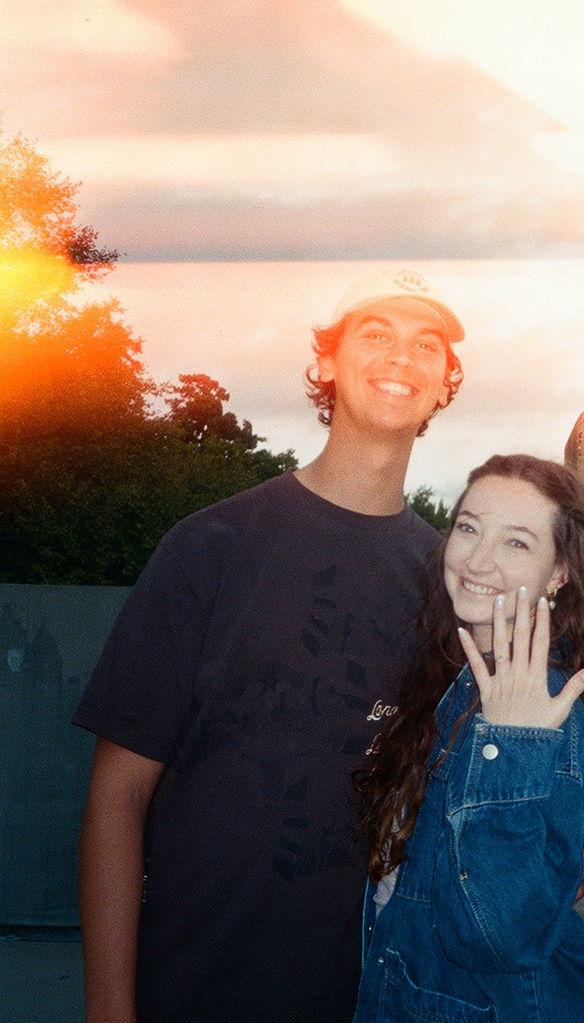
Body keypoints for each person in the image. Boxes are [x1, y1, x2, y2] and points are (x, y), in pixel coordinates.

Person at [73, 268, 465, 1023]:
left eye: (427, 344)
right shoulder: (211, 546)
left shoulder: (451, 587)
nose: (401, 356)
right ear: (326, 361)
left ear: (445, 382)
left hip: (368, 1001)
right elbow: (116, 797)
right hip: (191, 990)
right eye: (375, 333)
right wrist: (110, 1010)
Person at [354, 454, 584, 1023]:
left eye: (516, 542)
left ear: (559, 574)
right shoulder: (461, 676)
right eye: (468, 528)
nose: (477, 559)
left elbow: (502, 937)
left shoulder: (543, 709)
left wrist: (512, 748)